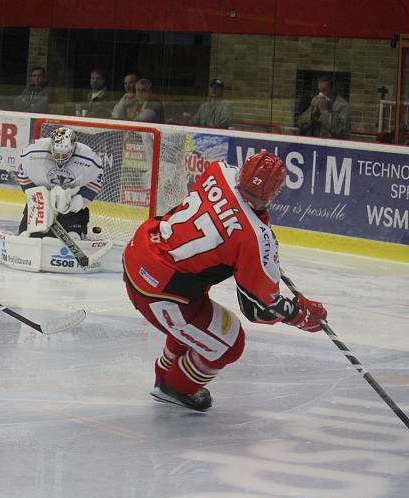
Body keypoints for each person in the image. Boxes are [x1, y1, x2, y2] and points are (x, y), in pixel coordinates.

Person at [122, 152, 327, 411]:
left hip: (138, 254)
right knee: (230, 343)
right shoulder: (255, 238)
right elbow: (258, 308)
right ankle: (175, 386)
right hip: (160, 292)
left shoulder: (218, 170)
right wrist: (299, 313)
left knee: (199, 319)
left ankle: (165, 371)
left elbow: (232, 216)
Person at [15, 127, 103, 239]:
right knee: (27, 233)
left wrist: (80, 200)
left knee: (73, 235)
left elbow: (96, 181)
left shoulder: (89, 158)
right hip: (42, 197)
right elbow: (24, 178)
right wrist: (39, 197)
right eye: (57, 154)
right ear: (51, 147)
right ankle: (28, 230)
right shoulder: (33, 152)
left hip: (71, 196)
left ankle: (75, 230)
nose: (60, 158)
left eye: (64, 154)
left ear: (73, 149)